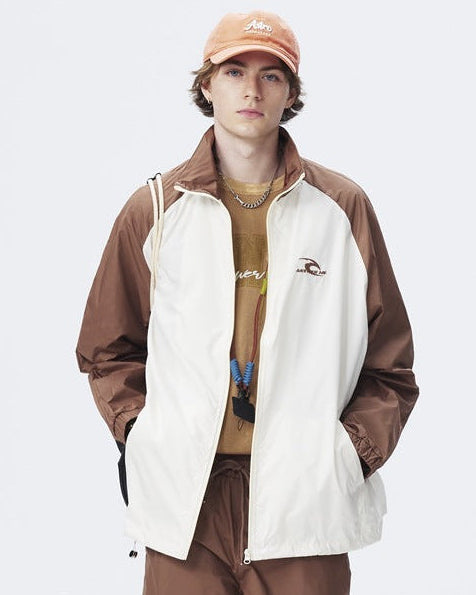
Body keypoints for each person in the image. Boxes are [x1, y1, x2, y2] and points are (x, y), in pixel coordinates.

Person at [76, 10, 419, 595]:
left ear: (291, 93)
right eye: (234, 71)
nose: (252, 90)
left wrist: (346, 456)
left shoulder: (342, 209)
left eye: (271, 75)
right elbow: (107, 349)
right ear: (207, 86)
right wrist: (142, 437)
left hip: (305, 504)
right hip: (188, 504)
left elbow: (390, 362)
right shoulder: (154, 210)